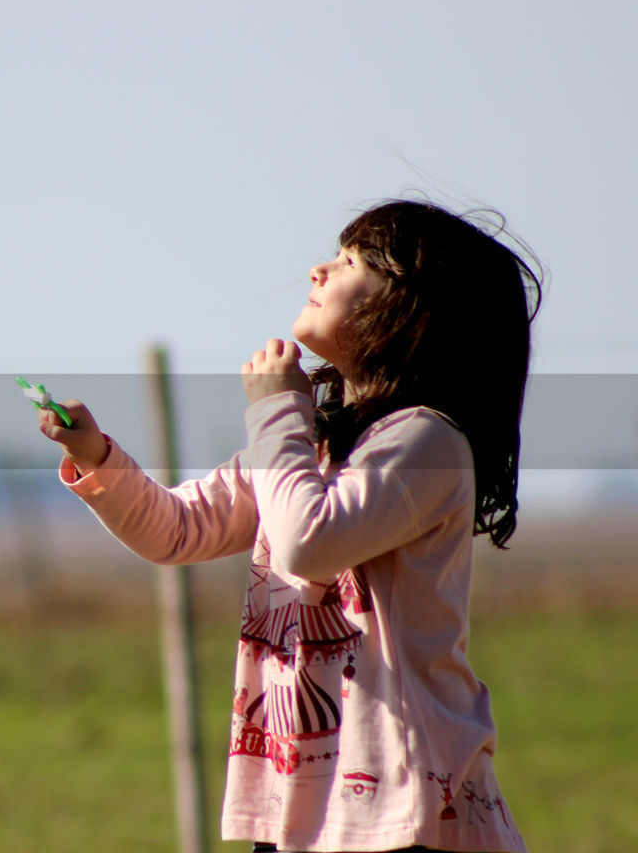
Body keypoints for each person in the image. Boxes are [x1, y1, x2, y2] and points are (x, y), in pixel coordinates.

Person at [37, 200, 541, 853]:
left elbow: (308, 541)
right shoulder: (309, 445)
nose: (319, 269)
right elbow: (177, 530)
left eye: (351, 260)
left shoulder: (426, 443)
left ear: (408, 312)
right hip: (303, 799)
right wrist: (96, 457)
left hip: (404, 801)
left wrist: (276, 409)